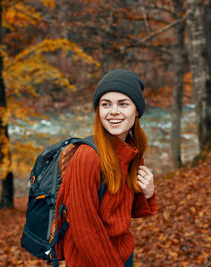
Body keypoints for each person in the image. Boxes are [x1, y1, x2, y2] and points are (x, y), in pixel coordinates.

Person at [54, 69, 157, 267]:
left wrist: (148, 193)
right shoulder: (88, 157)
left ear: (137, 111)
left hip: (122, 253)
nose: (113, 112)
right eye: (105, 104)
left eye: (123, 104)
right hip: (90, 260)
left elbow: (125, 212)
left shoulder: (132, 150)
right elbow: (85, 231)